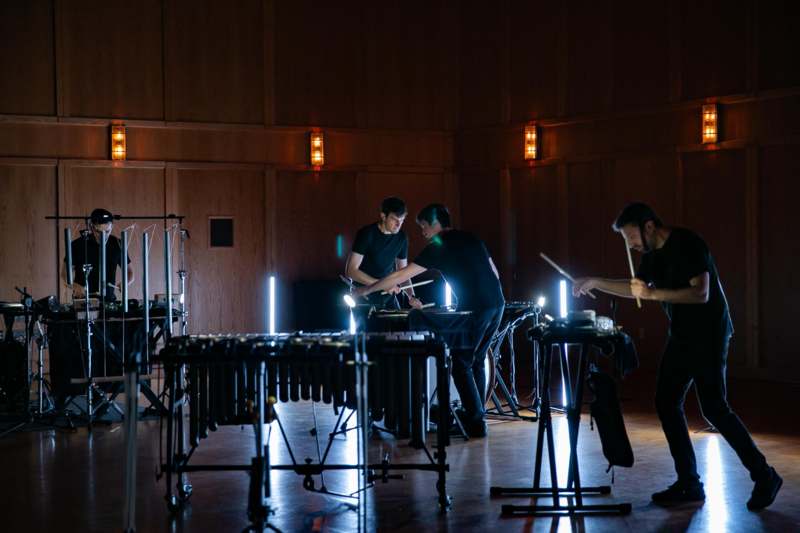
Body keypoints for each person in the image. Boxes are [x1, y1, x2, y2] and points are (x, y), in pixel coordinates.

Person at [573, 202, 782, 510]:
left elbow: (701, 293)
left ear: (648, 227)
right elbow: (636, 289)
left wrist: (654, 294)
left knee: (714, 408)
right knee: (666, 401)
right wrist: (595, 282)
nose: (630, 245)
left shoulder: (688, 243)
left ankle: (765, 475)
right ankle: (689, 483)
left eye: (631, 237)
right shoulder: (651, 256)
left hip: (710, 334)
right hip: (682, 335)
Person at [355, 204, 504, 437]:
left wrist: (366, 290)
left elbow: (399, 275)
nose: (423, 233)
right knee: (475, 359)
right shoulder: (470, 237)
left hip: (476, 308)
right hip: (497, 302)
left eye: (424, 227)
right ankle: (476, 414)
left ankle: (476, 422)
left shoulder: (438, 245)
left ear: (435, 224)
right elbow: (495, 272)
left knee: (461, 363)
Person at [345, 197, 421, 309]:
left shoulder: (402, 238)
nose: (398, 224)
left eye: (402, 220)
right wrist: (383, 285)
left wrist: (412, 296)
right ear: (383, 216)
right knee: (365, 326)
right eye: (395, 219)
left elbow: (403, 273)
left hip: (387, 295)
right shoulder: (366, 234)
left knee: (399, 325)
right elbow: (350, 271)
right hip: (362, 295)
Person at [63, 208, 133, 302]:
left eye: (107, 231)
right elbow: (64, 274)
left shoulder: (118, 244)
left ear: (112, 226)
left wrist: (126, 282)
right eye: (98, 232)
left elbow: (130, 272)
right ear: (91, 227)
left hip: (108, 300)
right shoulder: (77, 245)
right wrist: (74, 286)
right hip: (83, 300)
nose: (103, 235)